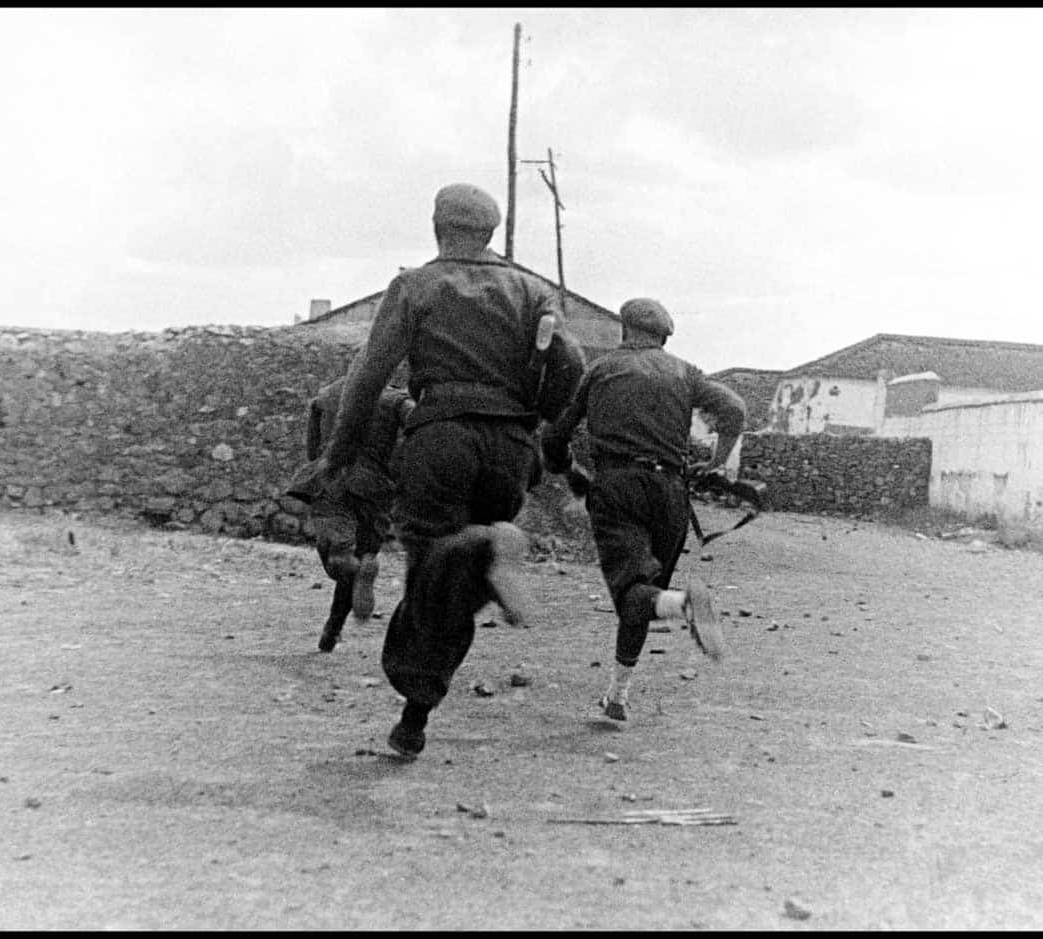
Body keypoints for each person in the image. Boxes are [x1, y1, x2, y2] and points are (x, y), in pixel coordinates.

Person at [314, 182, 586, 759]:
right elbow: (573, 363)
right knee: (457, 583)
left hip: (442, 438)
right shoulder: (533, 291)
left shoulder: (416, 286)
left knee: (431, 570)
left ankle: (475, 552)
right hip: (509, 448)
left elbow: (367, 377)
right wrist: (536, 418)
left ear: (438, 226)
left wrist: (337, 456)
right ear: (490, 231)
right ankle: (414, 720)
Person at [540, 297, 747, 723]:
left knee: (634, 593)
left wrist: (572, 472)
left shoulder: (600, 370)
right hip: (671, 492)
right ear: (665, 335)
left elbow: (553, 437)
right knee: (645, 597)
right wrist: (718, 459)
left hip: (618, 487)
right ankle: (617, 697)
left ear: (623, 328)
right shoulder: (685, 372)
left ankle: (687, 604)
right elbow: (735, 410)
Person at [293, 367, 414, 652]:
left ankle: (343, 557)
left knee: (337, 555)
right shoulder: (395, 398)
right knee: (363, 554)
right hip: (375, 487)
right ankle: (331, 632)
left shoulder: (326, 395)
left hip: (332, 480)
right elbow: (416, 428)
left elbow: (312, 449)